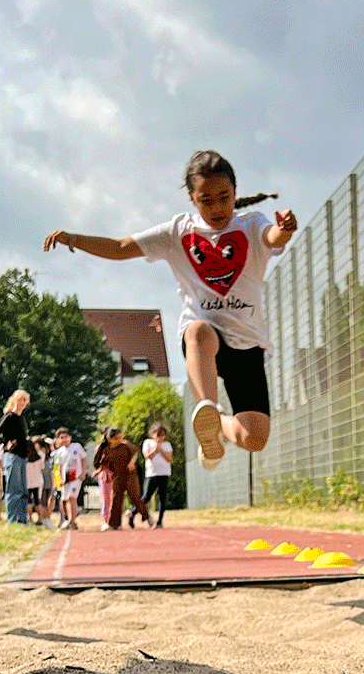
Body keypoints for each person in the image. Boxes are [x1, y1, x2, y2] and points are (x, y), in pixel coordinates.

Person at [44, 149, 297, 470]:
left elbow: (272, 236)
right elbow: (122, 247)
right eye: (207, 200)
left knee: (254, 439)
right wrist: (74, 238)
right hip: (203, 341)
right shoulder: (179, 231)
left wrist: (285, 229)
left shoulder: (251, 224)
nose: (217, 208)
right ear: (192, 198)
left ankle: (214, 424)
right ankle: (207, 405)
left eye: (224, 197)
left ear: (235, 191)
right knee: (199, 330)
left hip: (247, 345)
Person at [103, 428, 150, 530]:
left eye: (120, 437)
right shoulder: (107, 449)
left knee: (135, 497)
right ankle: (114, 523)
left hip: (130, 475)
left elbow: (135, 454)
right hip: (117, 476)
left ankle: (147, 517)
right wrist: (105, 474)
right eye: (116, 438)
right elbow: (105, 464)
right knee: (116, 498)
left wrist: (131, 463)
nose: (119, 439)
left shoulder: (126, 445)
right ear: (110, 439)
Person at [0, 390, 30, 524]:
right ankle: (11, 519)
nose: (22, 403)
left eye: (24, 400)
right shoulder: (10, 416)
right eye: (20, 400)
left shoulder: (22, 418)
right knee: (13, 488)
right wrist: (7, 442)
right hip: (13, 455)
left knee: (22, 490)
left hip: (22, 455)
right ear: (14, 400)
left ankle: (22, 519)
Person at [139, 423, 173, 528]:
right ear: (153, 434)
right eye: (158, 435)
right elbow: (148, 456)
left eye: (162, 435)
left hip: (164, 473)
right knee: (146, 496)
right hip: (152, 474)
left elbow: (169, 459)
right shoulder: (147, 443)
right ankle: (133, 512)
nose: (160, 437)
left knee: (162, 498)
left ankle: (160, 521)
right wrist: (155, 448)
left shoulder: (167, 445)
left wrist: (161, 449)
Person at [54, 428, 87, 530]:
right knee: (67, 499)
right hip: (66, 477)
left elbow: (84, 459)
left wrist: (83, 473)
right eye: (62, 438)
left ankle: (71, 520)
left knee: (71, 497)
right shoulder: (59, 452)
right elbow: (59, 466)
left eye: (66, 437)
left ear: (70, 437)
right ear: (58, 440)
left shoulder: (77, 446)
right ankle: (71, 520)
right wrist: (60, 479)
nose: (64, 439)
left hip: (75, 476)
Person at [92, 428, 114, 531]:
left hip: (115, 474)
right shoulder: (100, 448)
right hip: (105, 475)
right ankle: (106, 520)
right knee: (106, 499)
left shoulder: (117, 446)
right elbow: (100, 462)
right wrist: (100, 471)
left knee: (115, 498)